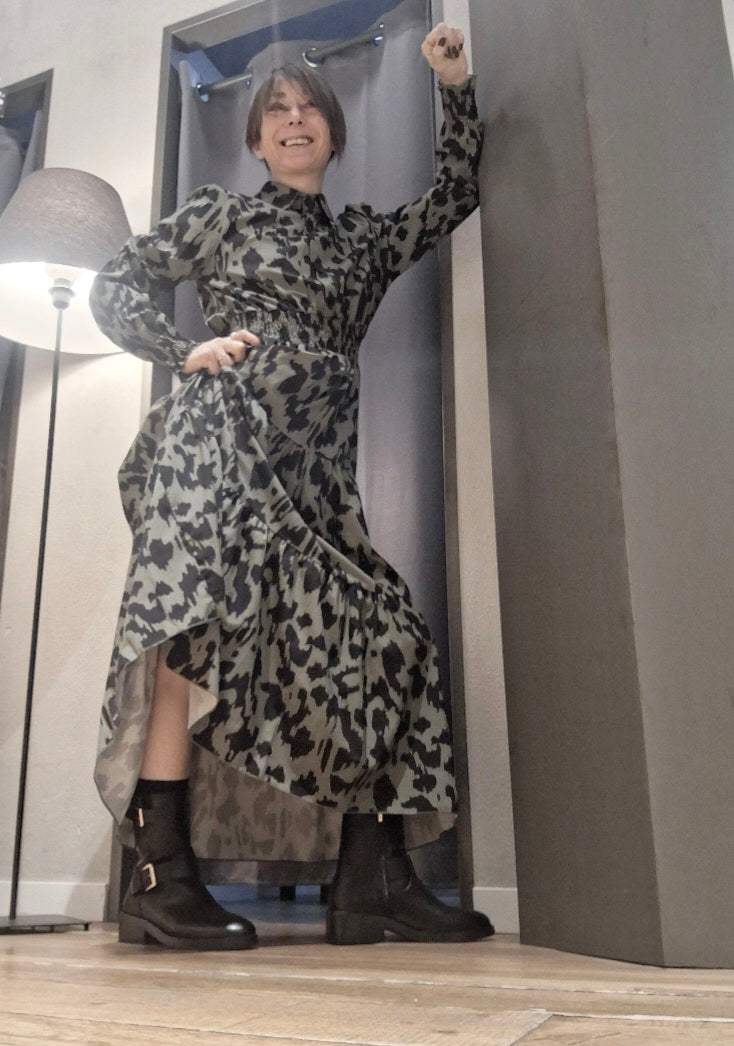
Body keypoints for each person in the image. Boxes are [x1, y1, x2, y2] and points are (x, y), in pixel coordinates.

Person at [90, 21, 492, 950]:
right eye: (275, 110)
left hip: (316, 479)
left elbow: (456, 194)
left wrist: (455, 84)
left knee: (390, 635)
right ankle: (159, 876)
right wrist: (182, 349)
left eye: (309, 107)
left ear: (334, 133)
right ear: (258, 139)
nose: (294, 118)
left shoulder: (361, 241)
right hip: (221, 441)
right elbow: (118, 284)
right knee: (189, 625)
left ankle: (371, 880)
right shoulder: (220, 217)